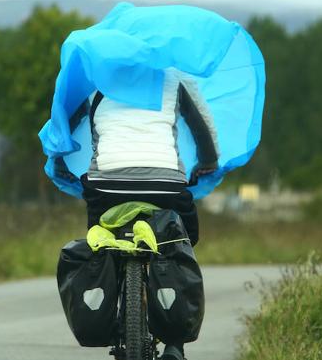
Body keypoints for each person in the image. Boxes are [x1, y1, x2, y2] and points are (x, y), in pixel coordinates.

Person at [55, 67, 218, 360]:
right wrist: (208, 160)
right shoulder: (172, 79)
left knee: (100, 239)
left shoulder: (96, 82)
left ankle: (112, 305)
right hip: (164, 184)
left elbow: (63, 127)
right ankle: (174, 344)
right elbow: (200, 126)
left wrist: (59, 164)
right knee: (183, 240)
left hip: (106, 187)